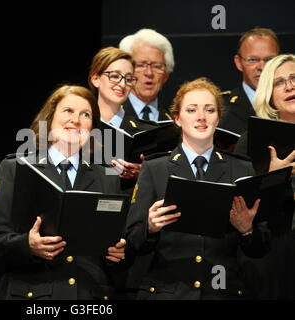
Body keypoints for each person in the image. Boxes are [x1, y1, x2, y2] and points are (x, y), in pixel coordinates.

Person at [125, 77, 271, 300]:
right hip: (167, 292)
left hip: (221, 290)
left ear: (219, 118)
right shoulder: (155, 169)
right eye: (191, 110)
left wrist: (246, 230)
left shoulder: (242, 168)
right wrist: (150, 226)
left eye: (209, 110)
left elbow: (260, 248)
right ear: (177, 119)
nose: (201, 117)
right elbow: (131, 241)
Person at [0, 85, 126, 299]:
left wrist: (117, 253)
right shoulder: (18, 168)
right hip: (32, 294)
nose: (75, 120)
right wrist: (28, 245)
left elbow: (115, 247)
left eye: (85, 114)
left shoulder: (108, 177)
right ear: (50, 118)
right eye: (68, 111)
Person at [234, 54, 295, 299]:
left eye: (294, 78)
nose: (290, 86)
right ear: (269, 94)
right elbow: (242, 206)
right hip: (273, 255)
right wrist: (275, 178)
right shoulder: (253, 141)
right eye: (279, 82)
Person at [88, 46, 158, 182]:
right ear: (95, 79)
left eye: (128, 78)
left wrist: (143, 173)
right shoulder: (79, 127)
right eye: (114, 76)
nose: (122, 84)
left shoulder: (147, 132)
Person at [219, 28, 279, 134]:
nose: (262, 67)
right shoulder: (220, 107)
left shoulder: (290, 103)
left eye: (269, 60)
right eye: (253, 60)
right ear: (238, 63)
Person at [119, 28, 174, 122]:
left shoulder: (175, 121)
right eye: (140, 65)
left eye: (157, 66)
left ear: (166, 75)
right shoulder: (112, 115)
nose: (149, 73)